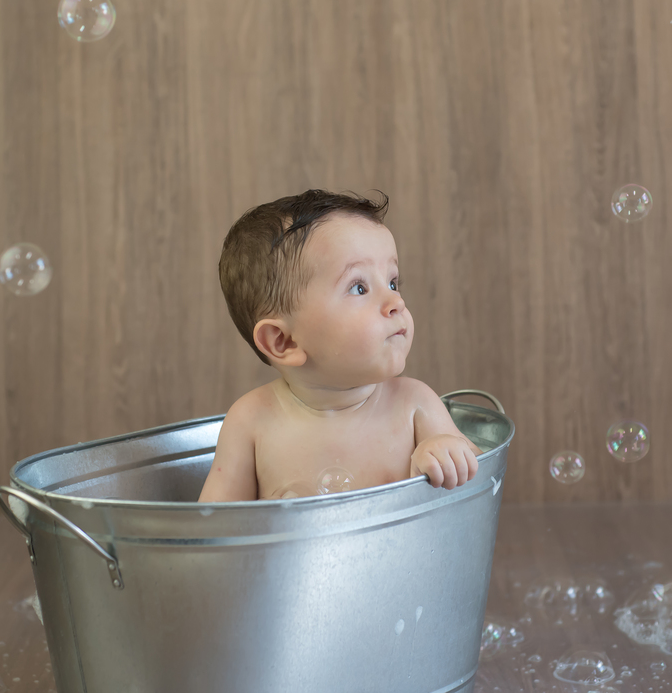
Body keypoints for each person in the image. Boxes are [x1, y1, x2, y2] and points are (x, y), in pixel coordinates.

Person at [198, 189, 480, 502]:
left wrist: (446, 452)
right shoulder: (251, 421)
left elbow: (481, 476)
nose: (396, 302)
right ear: (283, 341)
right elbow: (215, 523)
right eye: (359, 288)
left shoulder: (414, 404)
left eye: (392, 282)